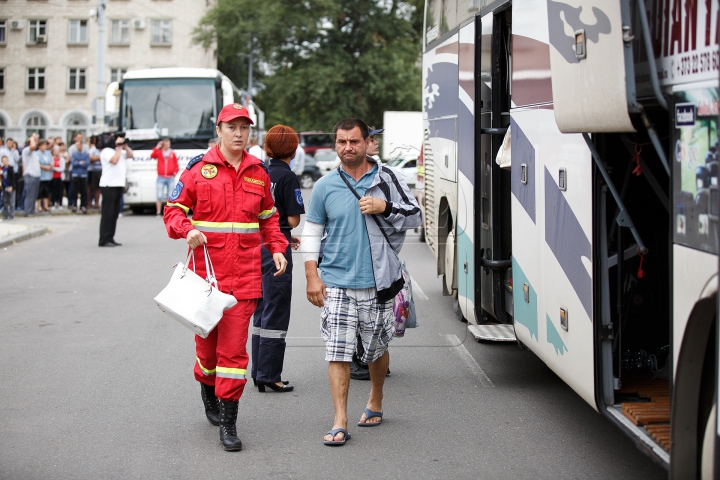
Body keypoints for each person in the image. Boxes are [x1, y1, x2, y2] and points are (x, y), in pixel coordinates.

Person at [163, 103, 289, 452]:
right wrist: (186, 229)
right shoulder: (197, 170)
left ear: (250, 132)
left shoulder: (258, 172)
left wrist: (277, 246)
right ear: (219, 130)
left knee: (233, 353)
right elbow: (173, 211)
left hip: (244, 279)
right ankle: (207, 389)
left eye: (244, 127)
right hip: (204, 282)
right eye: (231, 127)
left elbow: (268, 218)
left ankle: (229, 421)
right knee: (207, 353)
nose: (238, 133)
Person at [301, 118, 421, 446]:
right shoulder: (326, 185)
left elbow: (416, 216)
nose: (348, 148)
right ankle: (340, 419)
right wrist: (313, 275)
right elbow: (311, 234)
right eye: (342, 142)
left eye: (354, 141)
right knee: (337, 350)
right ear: (335, 144)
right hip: (336, 282)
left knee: (375, 350)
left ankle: (376, 397)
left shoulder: (387, 179)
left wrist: (385, 207)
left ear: (367, 142)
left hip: (378, 281)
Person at [251, 125, 305, 393]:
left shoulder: (259, 173)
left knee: (261, 308)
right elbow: (293, 219)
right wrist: (287, 233)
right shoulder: (287, 177)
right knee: (278, 306)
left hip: (258, 243)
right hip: (277, 246)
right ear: (293, 150)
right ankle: (270, 374)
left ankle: (258, 371)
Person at [349, 126, 386, 381]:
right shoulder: (346, 173)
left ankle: (371, 358)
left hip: (381, 257)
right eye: (372, 139)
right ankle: (357, 359)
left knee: (375, 320)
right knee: (357, 316)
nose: (376, 143)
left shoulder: (383, 172)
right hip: (357, 259)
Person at [98, 133, 132, 247]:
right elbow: (114, 160)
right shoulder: (106, 151)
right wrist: (118, 147)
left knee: (114, 214)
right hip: (108, 185)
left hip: (117, 185)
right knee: (107, 213)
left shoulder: (120, 151)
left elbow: (131, 155)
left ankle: (110, 237)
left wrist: (125, 146)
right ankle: (104, 239)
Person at [151, 137, 179, 215]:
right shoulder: (159, 152)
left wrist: (174, 172)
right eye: (165, 143)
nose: (167, 145)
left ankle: (169, 212)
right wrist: (157, 147)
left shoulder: (172, 153)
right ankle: (158, 211)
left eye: (168, 143)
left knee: (170, 196)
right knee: (159, 195)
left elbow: (176, 164)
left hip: (170, 177)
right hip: (161, 177)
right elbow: (152, 155)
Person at [69, 133, 89, 213]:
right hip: (75, 174)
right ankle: (74, 204)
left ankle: (83, 205)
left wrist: (78, 162)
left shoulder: (85, 153)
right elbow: (73, 163)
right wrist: (81, 162)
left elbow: (87, 163)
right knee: (74, 191)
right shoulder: (74, 153)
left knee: (83, 191)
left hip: (83, 174)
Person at [22, 134, 41, 217]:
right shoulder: (26, 150)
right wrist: (32, 138)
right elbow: (32, 146)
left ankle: (32, 210)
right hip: (30, 174)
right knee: (29, 194)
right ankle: (27, 211)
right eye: (34, 141)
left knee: (34, 194)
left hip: (36, 175)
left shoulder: (35, 153)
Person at [38, 139, 53, 213]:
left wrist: (49, 167)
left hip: (47, 175)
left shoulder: (48, 153)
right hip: (40, 175)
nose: (45, 146)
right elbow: (37, 163)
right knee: (40, 191)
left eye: (45, 145)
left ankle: (45, 205)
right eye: (43, 145)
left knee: (46, 191)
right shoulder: (37, 153)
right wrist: (45, 167)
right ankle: (39, 206)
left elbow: (51, 161)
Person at [87, 138, 102, 209]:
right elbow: (91, 158)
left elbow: (103, 158)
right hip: (93, 171)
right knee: (91, 187)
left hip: (101, 170)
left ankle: (97, 203)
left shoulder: (102, 149)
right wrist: (98, 158)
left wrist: (96, 158)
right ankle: (89, 202)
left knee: (98, 188)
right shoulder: (92, 149)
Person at [1, 155, 16, 220]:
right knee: (5, 201)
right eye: (3, 161)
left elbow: (13, 178)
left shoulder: (10, 168)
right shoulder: (2, 169)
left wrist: (11, 186)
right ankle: (6, 215)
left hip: (11, 187)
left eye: (6, 160)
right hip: (4, 187)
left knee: (11, 202)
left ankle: (11, 215)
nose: (5, 162)